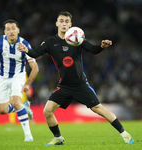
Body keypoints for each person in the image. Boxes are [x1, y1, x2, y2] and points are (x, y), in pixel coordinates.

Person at [18, 11, 134, 145]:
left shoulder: (77, 38)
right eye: (61, 21)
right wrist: (26, 50)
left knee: (99, 109)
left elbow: (92, 49)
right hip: (64, 86)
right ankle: (58, 138)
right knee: (47, 111)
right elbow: (36, 53)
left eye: (67, 21)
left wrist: (101, 46)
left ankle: (124, 134)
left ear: (70, 24)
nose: (64, 23)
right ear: (57, 23)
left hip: (80, 84)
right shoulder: (50, 42)